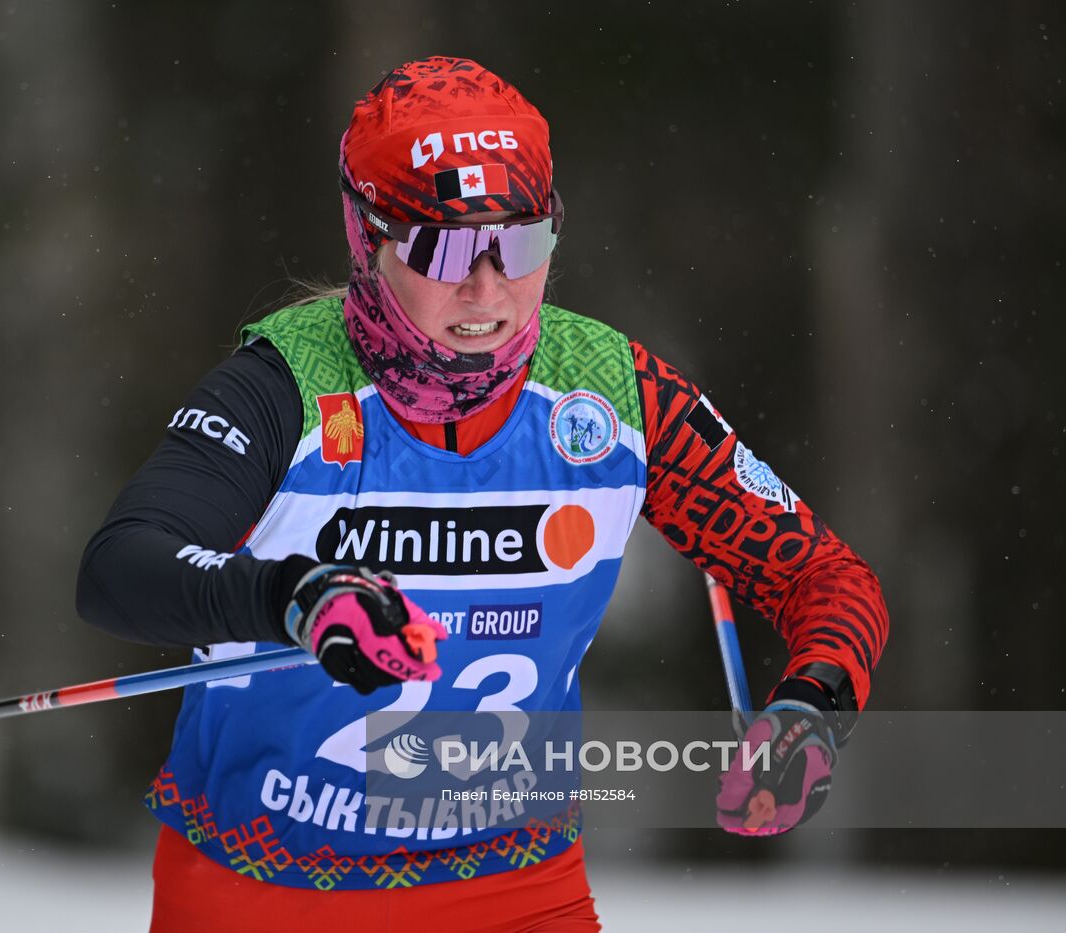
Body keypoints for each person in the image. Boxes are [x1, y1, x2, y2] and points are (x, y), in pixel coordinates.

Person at [77, 56, 888, 932]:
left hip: (510, 886)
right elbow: (123, 565)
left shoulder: (611, 394)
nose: (488, 288)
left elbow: (825, 577)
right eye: (446, 247)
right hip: (268, 887)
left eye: (523, 241)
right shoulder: (283, 390)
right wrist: (291, 595)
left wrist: (812, 707)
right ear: (368, 238)